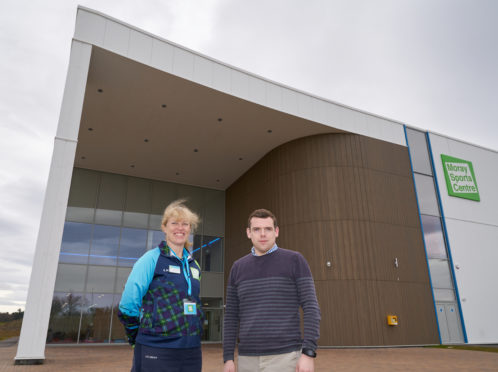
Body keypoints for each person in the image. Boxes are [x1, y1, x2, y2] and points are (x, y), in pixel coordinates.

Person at [223, 209, 321, 372]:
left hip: (286, 358)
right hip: (247, 360)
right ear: (248, 233)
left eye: (268, 229)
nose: (262, 234)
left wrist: (308, 353)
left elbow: (311, 307)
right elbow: (231, 316)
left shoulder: (295, 260)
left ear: (276, 231)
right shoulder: (237, 268)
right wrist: (227, 358)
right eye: (256, 229)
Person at [118, 200, 203, 372]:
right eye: (174, 223)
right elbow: (127, 305)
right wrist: (136, 337)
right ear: (164, 227)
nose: (180, 228)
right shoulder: (151, 259)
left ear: (190, 228)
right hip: (156, 348)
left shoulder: (194, 265)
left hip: (191, 350)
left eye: (185, 224)